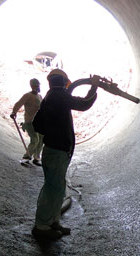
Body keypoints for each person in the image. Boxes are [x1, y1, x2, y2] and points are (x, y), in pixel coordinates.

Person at [31, 69, 101, 240]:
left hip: (55, 150)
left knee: (57, 188)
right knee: (52, 189)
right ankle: (42, 226)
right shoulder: (59, 96)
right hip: (57, 151)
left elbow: (37, 124)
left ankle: (53, 221)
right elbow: (84, 103)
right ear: (63, 82)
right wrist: (94, 88)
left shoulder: (51, 96)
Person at [10, 78, 43, 165]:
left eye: (38, 85)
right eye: (35, 85)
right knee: (35, 139)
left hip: (39, 122)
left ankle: (37, 157)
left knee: (41, 139)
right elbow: (19, 103)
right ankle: (26, 156)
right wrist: (14, 112)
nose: (37, 87)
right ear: (32, 86)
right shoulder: (27, 96)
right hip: (30, 122)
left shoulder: (40, 97)